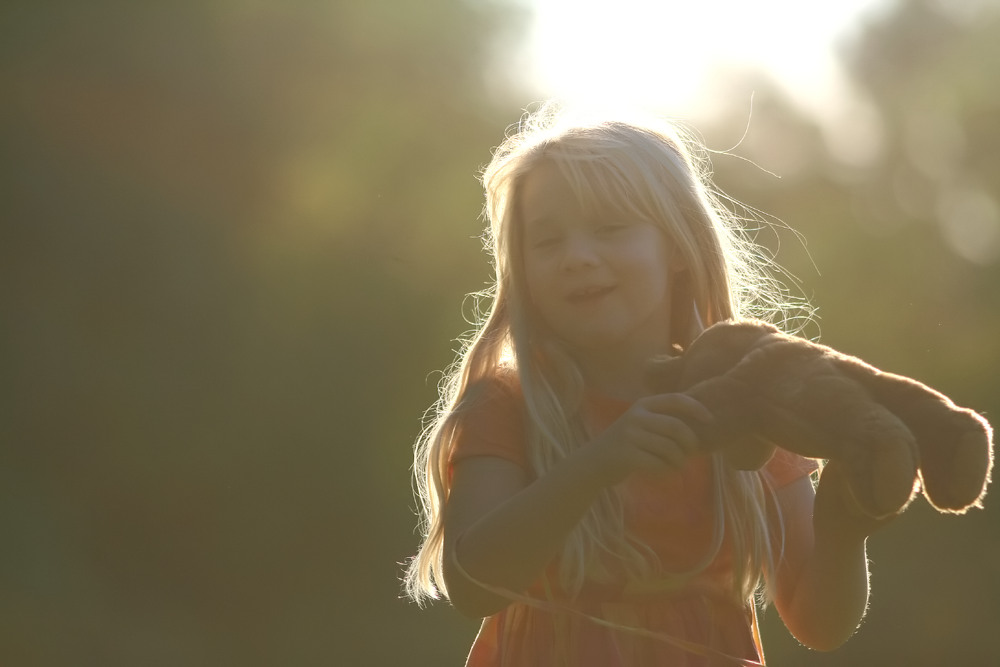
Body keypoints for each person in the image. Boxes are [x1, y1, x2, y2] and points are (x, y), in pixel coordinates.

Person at [405, 105, 888, 666]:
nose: (578, 258)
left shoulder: (746, 407)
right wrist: (596, 465)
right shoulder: (507, 405)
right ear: (521, 269)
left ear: (679, 249)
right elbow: (474, 586)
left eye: (609, 229)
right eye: (547, 241)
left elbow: (821, 623)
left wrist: (848, 519)